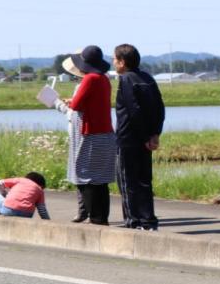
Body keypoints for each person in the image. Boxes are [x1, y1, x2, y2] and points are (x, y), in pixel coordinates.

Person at [57, 45, 116, 225]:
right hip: (105, 134)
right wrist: (74, 100)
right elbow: (89, 102)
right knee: (100, 180)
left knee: (87, 177)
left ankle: (96, 218)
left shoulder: (90, 79)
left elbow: (76, 105)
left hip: (91, 135)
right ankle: (101, 218)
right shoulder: (103, 78)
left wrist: (65, 102)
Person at [113, 44, 165, 230]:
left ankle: (133, 222)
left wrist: (145, 136)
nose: (113, 62)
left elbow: (133, 109)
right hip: (146, 139)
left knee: (127, 182)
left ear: (122, 62)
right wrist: (155, 134)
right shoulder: (147, 78)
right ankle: (148, 221)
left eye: (115, 59)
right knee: (144, 181)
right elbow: (160, 107)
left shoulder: (126, 79)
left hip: (128, 138)